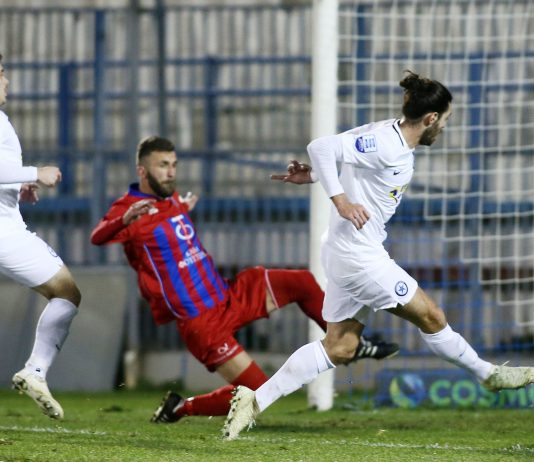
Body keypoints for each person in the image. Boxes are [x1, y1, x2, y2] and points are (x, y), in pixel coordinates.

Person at [222, 70, 534, 440]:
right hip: (359, 258)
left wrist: (316, 176)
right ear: (431, 118)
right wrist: (340, 200)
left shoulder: (387, 134)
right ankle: (488, 374)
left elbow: (343, 156)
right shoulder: (387, 143)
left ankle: (253, 401)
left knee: (340, 346)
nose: (444, 128)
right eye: (445, 121)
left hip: (346, 251)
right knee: (432, 316)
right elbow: (321, 147)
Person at [90, 135, 399, 423]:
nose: (171, 172)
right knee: (257, 393)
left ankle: (349, 343)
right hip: (201, 321)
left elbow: (167, 232)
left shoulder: (168, 201)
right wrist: (124, 219)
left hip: (227, 295)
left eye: (174, 164)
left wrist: (183, 207)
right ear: (142, 171)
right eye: (163, 165)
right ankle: (181, 407)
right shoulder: (128, 209)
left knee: (302, 283)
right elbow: (97, 236)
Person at [0, 54, 81, 420]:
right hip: (5, 233)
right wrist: (37, 172)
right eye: (1, 74)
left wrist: (17, 186)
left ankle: (34, 372)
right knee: (66, 292)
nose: (6, 81)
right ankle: (35, 371)